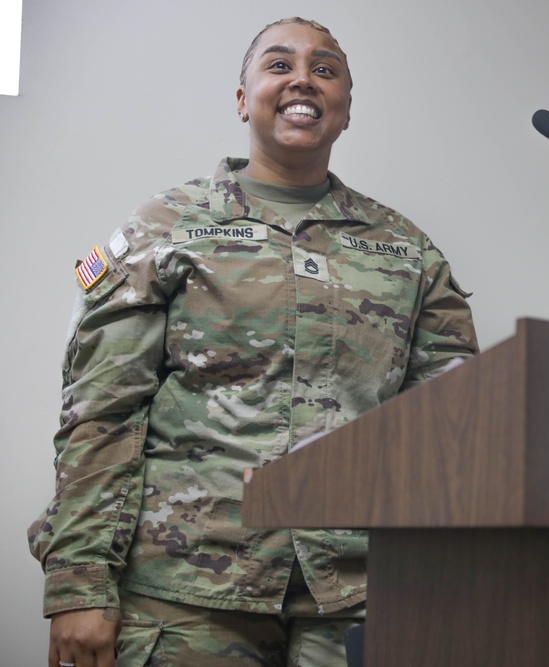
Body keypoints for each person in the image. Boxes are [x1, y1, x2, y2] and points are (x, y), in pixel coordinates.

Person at [28, 17, 478, 667]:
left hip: (354, 597)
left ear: (347, 107)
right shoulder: (169, 226)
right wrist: (79, 582)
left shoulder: (407, 252)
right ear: (242, 97)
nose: (303, 78)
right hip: (185, 600)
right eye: (278, 65)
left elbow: (452, 431)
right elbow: (101, 411)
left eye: (325, 69)